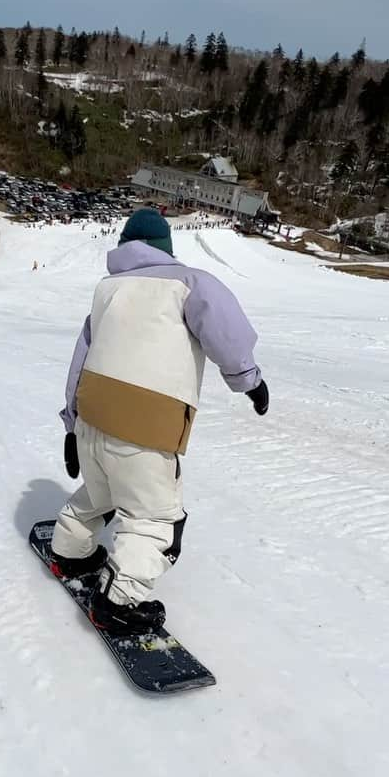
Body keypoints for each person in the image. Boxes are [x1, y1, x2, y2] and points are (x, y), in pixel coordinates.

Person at [50, 208, 269, 634]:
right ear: (167, 248)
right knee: (154, 518)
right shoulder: (188, 283)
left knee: (101, 490)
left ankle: (70, 549)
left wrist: (71, 425)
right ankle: (118, 601)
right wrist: (249, 381)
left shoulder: (107, 288)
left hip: (94, 418)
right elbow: (229, 333)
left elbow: (81, 358)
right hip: (146, 428)